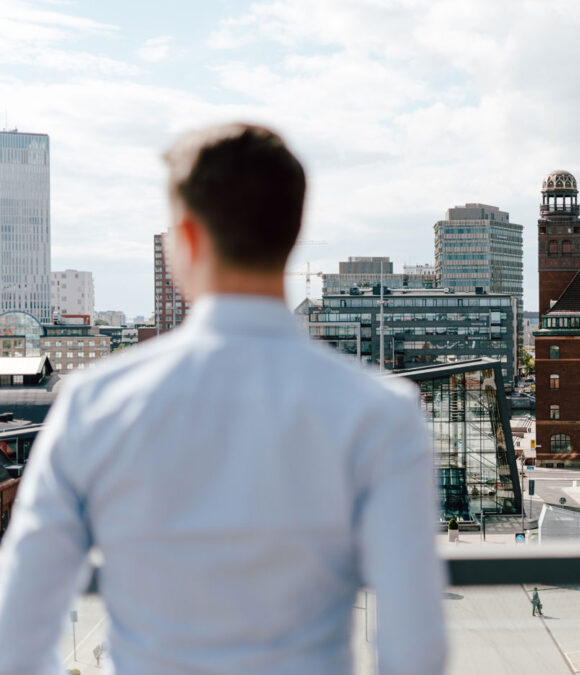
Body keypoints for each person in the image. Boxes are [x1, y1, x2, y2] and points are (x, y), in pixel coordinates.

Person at [0, 124, 447, 674]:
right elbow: (416, 649)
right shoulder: (381, 412)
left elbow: (17, 632)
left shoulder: (95, 402)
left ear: (185, 238)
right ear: (294, 230)